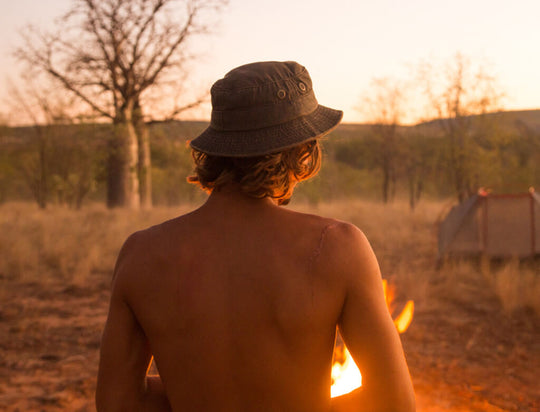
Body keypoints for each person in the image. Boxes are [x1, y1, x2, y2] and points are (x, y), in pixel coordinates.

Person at [96, 61, 415, 412]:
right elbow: (395, 403)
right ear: (303, 151)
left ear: (217, 149)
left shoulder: (140, 253)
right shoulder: (337, 246)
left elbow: (118, 402)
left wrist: (194, 388)